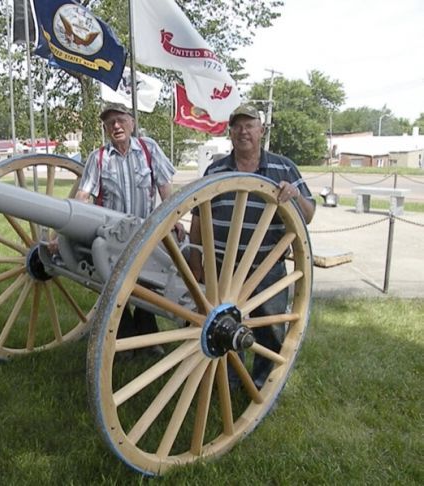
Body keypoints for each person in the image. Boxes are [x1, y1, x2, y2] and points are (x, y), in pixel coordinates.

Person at [188, 104, 316, 388]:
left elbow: (308, 215)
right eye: (237, 126)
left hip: (266, 267)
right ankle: (229, 382)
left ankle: (262, 385)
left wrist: (294, 195)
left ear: (261, 130)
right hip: (223, 266)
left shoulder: (284, 167)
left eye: (249, 125)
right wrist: (196, 258)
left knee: (269, 329)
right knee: (222, 328)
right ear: (230, 132)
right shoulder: (216, 169)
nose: (243, 132)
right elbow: (198, 216)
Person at [76, 102, 179, 350]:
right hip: (111, 236)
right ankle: (125, 340)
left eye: (121, 120)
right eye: (110, 123)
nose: (116, 126)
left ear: (132, 122)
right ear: (106, 128)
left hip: (145, 231)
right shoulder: (98, 158)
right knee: (114, 288)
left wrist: (174, 220)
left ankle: (149, 341)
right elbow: (83, 195)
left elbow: (165, 187)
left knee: (146, 285)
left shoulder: (148, 148)